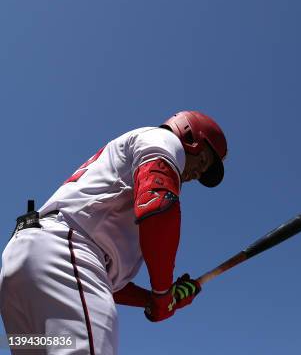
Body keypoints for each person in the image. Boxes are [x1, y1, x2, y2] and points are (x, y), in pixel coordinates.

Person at [0, 111, 228, 354]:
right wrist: (163, 293)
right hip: (65, 251)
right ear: (188, 135)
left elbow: (103, 280)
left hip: (29, 261)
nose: (197, 174)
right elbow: (158, 205)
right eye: (203, 162)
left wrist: (153, 299)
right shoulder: (164, 140)